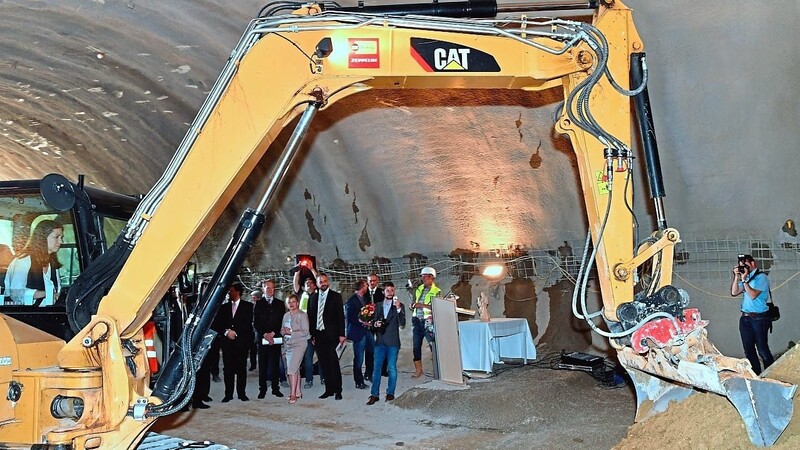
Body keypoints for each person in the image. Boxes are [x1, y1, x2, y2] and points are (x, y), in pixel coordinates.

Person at [730, 253, 774, 375]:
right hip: (745, 319)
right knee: (749, 350)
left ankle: (770, 374)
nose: (743, 268)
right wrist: (736, 277)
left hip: (759, 318)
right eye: (741, 266)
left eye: (745, 265)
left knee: (762, 349)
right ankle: (756, 374)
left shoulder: (761, 278)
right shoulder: (747, 278)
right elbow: (734, 292)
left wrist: (744, 280)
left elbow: (753, 295)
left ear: (752, 263)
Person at [4, 220, 63, 306]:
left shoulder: (52, 263)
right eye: (56, 237)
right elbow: (16, 293)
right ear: (43, 238)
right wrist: (45, 294)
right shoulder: (23, 260)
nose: (61, 242)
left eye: (61, 238)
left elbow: (58, 290)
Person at [307, 273, 345, 400]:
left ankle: (338, 390)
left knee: (333, 363)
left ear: (327, 282)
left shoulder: (336, 296)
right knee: (323, 364)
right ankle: (329, 390)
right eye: (320, 282)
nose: (323, 283)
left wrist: (341, 334)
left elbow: (340, 317)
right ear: (317, 284)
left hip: (332, 335)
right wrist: (312, 335)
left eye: (324, 281)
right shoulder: (312, 297)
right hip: (318, 335)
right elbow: (311, 317)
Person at [366, 282, 405, 405]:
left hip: (393, 342)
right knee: (376, 369)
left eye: (392, 290)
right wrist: (375, 324)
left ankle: (390, 393)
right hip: (380, 342)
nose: (390, 293)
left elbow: (402, 322)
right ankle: (374, 394)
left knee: (392, 368)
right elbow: (372, 322)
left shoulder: (399, 306)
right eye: (387, 290)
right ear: (383, 292)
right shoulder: (378, 306)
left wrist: (399, 309)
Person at [214, 282, 254, 402]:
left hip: (241, 343)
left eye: (231, 291)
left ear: (237, 292)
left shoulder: (248, 306)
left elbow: (248, 325)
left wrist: (235, 332)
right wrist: (226, 332)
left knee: (241, 369)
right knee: (228, 369)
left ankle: (242, 393)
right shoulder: (223, 307)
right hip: (227, 344)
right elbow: (218, 324)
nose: (229, 293)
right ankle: (228, 394)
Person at [254, 279, 285, 399]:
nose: (270, 290)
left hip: (275, 338)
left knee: (275, 364)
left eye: (272, 288)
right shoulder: (259, 304)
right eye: (267, 288)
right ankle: (262, 389)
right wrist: (265, 334)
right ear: (263, 289)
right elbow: (256, 322)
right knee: (263, 365)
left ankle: (275, 389)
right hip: (263, 339)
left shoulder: (280, 304)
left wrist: (273, 333)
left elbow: (281, 321)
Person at [410, 266, 441, 378]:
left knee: (434, 346)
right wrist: (413, 305)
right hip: (417, 322)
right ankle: (418, 370)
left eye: (425, 276)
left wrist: (421, 305)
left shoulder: (436, 291)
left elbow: (437, 307)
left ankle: (438, 369)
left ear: (431, 277)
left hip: (429, 323)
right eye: (422, 276)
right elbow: (415, 302)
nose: (423, 278)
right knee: (416, 346)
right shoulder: (419, 289)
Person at [281, 294, 309, 404]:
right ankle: (298, 392)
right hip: (288, 344)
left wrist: (291, 332)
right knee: (294, 368)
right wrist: (283, 332)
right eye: (289, 302)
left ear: (297, 303)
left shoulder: (302, 315)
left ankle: (292, 394)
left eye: (293, 302)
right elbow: (282, 330)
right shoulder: (286, 315)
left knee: (291, 369)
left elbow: (305, 332)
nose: (292, 304)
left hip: (299, 344)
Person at [296, 276, 322, 388]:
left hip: (317, 332)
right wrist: (297, 272)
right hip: (305, 333)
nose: (309, 285)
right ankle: (308, 379)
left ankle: (323, 377)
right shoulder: (302, 297)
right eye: (307, 283)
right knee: (308, 358)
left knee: (321, 357)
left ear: (315, 285)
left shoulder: (319, 297)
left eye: (311, 283)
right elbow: (295, 285)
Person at [345, 279, 370, 390]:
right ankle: (358, 381)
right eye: (366, 285)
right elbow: (350, 317)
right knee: (359, 358)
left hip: (366, 330)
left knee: (371, 351)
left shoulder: (364, 298)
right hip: (358, 332)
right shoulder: (352, 301)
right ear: (361, 287)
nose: (367, 286)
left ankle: (368, 374)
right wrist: (361, 321)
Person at [364, 272, 384, 380]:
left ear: (377, 281)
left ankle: (383, 369)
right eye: (370, 281)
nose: (372, 283)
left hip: (379, 323)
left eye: (374, 280)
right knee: (369, 348)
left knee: (382, 345)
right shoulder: (364, 293)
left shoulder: (381, 293)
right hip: (368, 324)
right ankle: (368, 372)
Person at [248, 289, 262, 371]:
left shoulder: (262, 306)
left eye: (254, 297)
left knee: (259, 349)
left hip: (259, 331)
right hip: (251, 330)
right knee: (252, 349)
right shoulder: (250, 306)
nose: (252, 299)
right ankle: (253, 365)